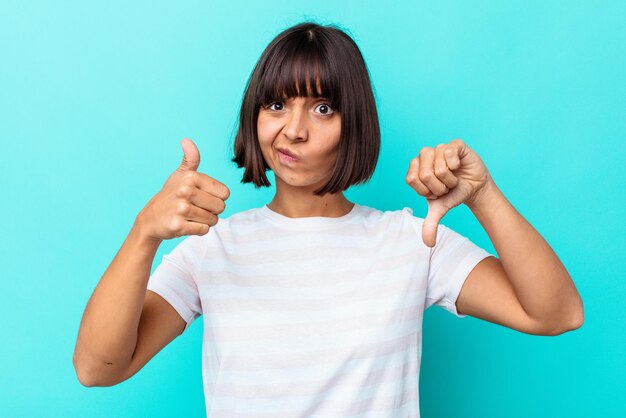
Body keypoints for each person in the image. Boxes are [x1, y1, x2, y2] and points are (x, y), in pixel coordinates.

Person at [73, 21, 584, 417]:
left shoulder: (412, 241)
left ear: (353, 123)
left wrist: (484, 196)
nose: (292, 130)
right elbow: (98, 368)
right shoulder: (212, 250)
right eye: (276, 104)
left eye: (322, 109)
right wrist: (144, 233)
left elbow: (556, 314)